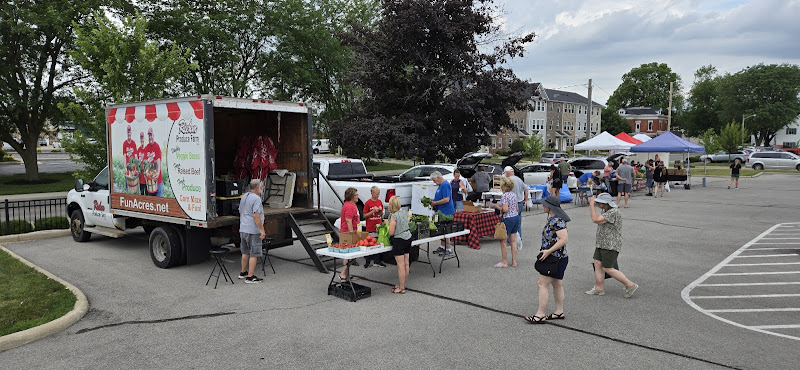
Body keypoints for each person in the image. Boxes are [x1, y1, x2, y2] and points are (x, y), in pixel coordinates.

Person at [524, 195, 570, 324]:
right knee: (556, 284)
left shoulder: (557, 220)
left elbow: (564, 239)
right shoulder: (554, 219)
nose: (543, 206)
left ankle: (540, 314)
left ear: (549, 206)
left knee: (542, 283)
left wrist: (549, 251)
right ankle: (559, 312)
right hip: (560, 257)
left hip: (554, 258)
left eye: (544, 204)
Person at [586, 193, 638, 298]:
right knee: (597, 263)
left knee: (608, 268)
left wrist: (591, 205)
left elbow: (595, 220)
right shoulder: (607, 211)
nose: (597, 203)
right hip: (602, 243)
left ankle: (630, 285)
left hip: (610, 245)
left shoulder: (613, 212)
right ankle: (599, 288)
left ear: (605, 203)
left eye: (598, 202)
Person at [238, 179, 266, 284]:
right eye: (262, 186)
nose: (262, 188)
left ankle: (243, 272)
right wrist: (262, 230)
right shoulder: (256, 199)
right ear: (258, 187)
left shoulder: (244, 196)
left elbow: (240, 211)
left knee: (245, 251)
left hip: (243, 228)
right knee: (254, 253)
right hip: (253, 230)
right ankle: (250, 277)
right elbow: (256, 215)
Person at [492, 178, 519, 268]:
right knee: (513, 240)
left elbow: (505, 209)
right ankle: (514, 261)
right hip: (515, 217)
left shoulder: (504, 196)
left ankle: (504, 262)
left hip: (508, 218)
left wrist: (496, 206)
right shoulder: (514, 195)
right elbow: (516, 208)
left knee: (503, 240)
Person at [387, 196, 412, 294]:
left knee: (400, 265)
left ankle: (401, 288)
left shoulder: (394, 216)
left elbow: (391, 232)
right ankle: (402, 284)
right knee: (406, 263)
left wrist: (388, 227)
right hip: (408, 237)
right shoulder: (403, 213)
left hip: (399, 240)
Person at [339, 187, 361, 281]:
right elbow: (348, 221)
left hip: (352, 231)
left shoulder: (352, 205)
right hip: (347, 233)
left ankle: (346, 274)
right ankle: (343, 273)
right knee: (350, 254)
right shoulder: (349, 206)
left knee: (350, 254)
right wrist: (351, 234)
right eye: (356, 195)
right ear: (351, 196)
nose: (357, 196)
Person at [430, 171, 454, 255]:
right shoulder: (441, 185)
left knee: (445, 230)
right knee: (441, 230)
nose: (434, 182)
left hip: (446, 212)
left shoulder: (445, 185)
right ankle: (442, 246)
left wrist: (435, 203)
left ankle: (448, 249)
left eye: (434, 180)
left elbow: (446, 199)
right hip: (440, 211)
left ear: (438, 177)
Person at [504, 166, 528, 248]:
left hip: (512, 204)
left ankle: (509, 241)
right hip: (520, 202)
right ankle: (519, 239)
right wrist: (525, 199)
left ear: (507, 173)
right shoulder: (519, 179)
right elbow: (526, 189)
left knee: (510, 223)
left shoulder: (509, 181)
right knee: (518, 223)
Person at [363, 186, 386, 268]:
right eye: (376, 194)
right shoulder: (368, 203)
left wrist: (380, 211)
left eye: (379, 193)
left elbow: (381, 214)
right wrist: (373, 211)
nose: (378, 195)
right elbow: (365, 215)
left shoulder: (379, 202)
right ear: (372, 193)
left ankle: (377, 260)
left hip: (378, 226)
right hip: (370, 226)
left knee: (377, 243)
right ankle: (367, 260)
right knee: (369, 243)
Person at [144, 127, 163, 196]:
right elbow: (146, 162)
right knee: (151, 203)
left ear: (153, 135)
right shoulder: (146, 148)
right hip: (150, 182)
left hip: (157, 181)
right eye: (149, 135)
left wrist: (157, 173)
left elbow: (158, 161)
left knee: (159, 202)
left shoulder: (156, 146)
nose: (150, 137)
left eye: (151, 135)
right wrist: (146, 173)